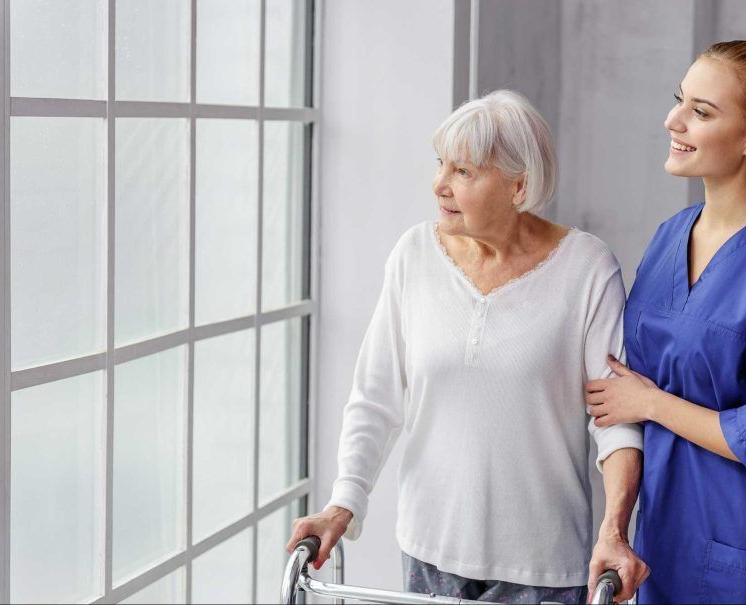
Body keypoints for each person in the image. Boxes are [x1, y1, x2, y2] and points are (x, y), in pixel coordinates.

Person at [288, 89, 647, 603]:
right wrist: (342, 504)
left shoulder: (587, 268)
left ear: (518, 186)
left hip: (543, 569)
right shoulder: (414, 254)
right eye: (441, 164)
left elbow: (615, 421)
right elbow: (375, 395)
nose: (439, 185)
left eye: (465, 172)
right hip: (428, 554)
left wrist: (613, 530)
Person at [585, 41, 746, 604]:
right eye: (680, 101)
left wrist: (652, 405)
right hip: (660, 549)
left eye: (702, 112)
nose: (672, 120)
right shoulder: (668, 237)